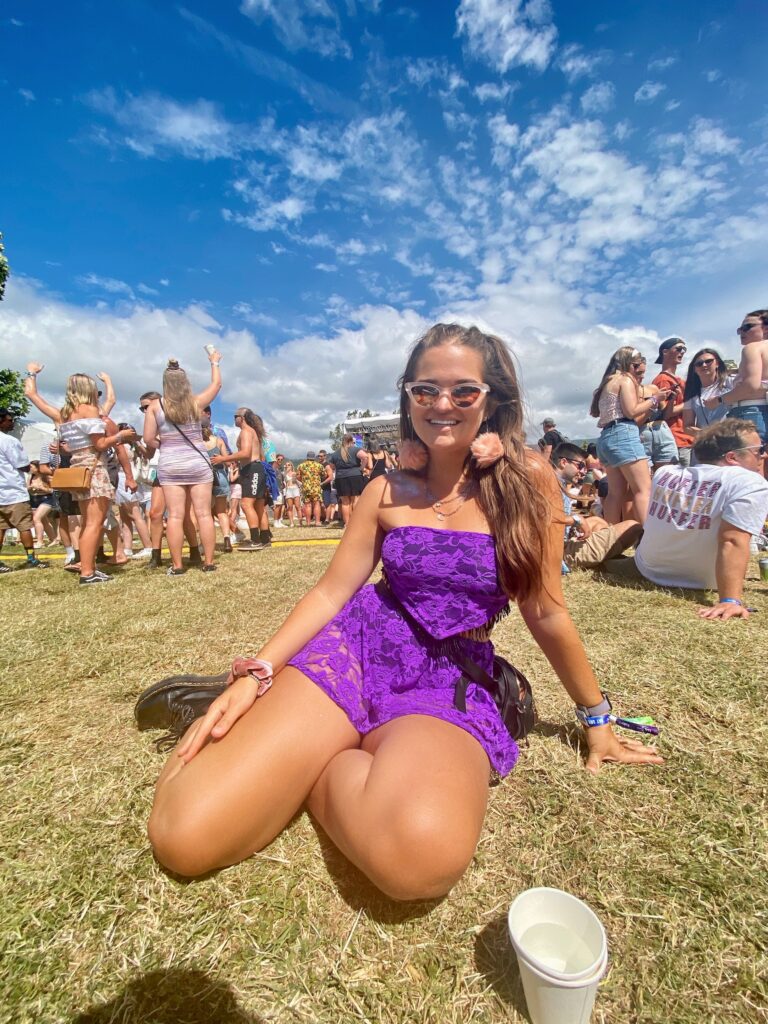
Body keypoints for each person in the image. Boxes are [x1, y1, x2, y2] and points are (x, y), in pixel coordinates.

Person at [147, 323, 662, 898]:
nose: (444, 404)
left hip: (447, 678)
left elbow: (545, 611)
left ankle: (323, 755)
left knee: (418, 861)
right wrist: (256, 674)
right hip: (355, 650)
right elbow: (329, 593)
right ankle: (320, 737)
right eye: (426, 391)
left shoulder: (528, 481)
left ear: (492, 399)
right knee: (183, 836)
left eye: (463, 391)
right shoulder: (383, 490)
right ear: (409, 399)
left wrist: (597, 720)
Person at [606, 419, 768, 620]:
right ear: (732, 457)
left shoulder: (665, 473)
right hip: (705, 581)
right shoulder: (749, 482)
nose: (764, 455)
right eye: (758, 450)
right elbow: (732, 540)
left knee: (622, 535)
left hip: (647, 568)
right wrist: (729, 600)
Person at [24, 366, 135, 584]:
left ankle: (88, 567)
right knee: (95, 523)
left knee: (88, 523)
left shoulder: (63, 414)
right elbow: (100, 443)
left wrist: (32, 374)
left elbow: (31, 394)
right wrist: (121, 435)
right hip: (94, 470)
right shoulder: (89, 410)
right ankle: (87, 572)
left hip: (77, 469)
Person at [142, 353, 221, 575]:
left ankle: (177, 565)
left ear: (165, 383)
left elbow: (148, 439)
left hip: (171, 464)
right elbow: (217, 384)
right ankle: (208, 562)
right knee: (204, 513)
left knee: (175, 516)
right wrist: (214, 361)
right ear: (186, 382)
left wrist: (166, 444)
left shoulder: (155, 407)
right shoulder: (196, 403)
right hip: (198, 462)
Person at [590, 346, 670, 524]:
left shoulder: (607, 383)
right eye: (636, 365)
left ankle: (609, 538)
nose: (637, 370)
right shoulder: (624, 380)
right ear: (628, 364)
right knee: (643, 489)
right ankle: (647, 539)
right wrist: (655, 399)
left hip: (606, 437)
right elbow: (631, 411)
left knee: (614, 493)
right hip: (623, 433)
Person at [552, 442, 642, 571]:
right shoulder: (550, 486)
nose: (584, 471)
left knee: (598, 522)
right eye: (580, 466)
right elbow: (544, 520)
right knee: (633, 527)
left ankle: (606, 558)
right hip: (559, 552)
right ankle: (607, 562)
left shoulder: (556, 482)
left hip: (562, 541)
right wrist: (576, 520)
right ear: (564, 462)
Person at [138, 391, 201, 571]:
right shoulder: (152, 422)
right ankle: (155, 555)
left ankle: (194, 550)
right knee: (155, 513)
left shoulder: (173, 418)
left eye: (146, 406)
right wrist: (136, 443)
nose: (144, 410)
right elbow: (149, 452)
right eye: (142, 408)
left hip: (179, 468)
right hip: (162, 469)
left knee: (183, 514)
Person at [710, 310, 768, 475]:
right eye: (739, 329)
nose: (741, 332)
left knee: (749, 472)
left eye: (747, 327)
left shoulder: (752, 348)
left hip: (750, 412)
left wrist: (719, 400)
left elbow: (751, 385)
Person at [213, 408, 271, 550]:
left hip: (252, 469)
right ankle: (264, 538)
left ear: (242, 417)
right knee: (258, 506)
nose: (234, 419)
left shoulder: (246, 432)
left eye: (235, 416)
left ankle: (256, 540)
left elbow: (245, 453)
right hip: (254, 469)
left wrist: (223, 458)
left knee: (246, 504)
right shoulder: (252, 432)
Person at [0, 408, 48, 572]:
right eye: (9, 419)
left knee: (1, 528)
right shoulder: (9, 441)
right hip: (13, 491)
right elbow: (21, 464)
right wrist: (33, 469)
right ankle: (31, 559)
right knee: (24, 527)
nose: (11, 422)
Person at [630, 354, 678, 472]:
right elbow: (632, 424)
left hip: (662, 432)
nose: (642, 377)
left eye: (643, 373)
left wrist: (671, 400)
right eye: (638, 373)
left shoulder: (652, 388)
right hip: (641, 435)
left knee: (668, 477)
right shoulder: (627, 394)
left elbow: (666, 415)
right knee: (646, 480)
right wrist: (651, 406)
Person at [652, 337, 694, 466]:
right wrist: (691, 403)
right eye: (678, 349)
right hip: (677, 438)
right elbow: (666, 413)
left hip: (687, 438)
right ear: (665, 352)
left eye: (684, 349)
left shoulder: (679, 380)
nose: (682, 352)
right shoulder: (663, 380)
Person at [682, 348, 732, 439]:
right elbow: (687, 426)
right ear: (694, 369)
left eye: (708, 361)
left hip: (732, 440)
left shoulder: (729, 383)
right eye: (699, 364)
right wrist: (707, 434)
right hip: (706, 445)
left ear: (717, 363)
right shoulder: (692, 392)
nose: (704, 365)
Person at [327, 434, 370, 527]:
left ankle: (347, 524)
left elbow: (332, 466)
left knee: (345, 502)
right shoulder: (355, 449)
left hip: (340, 478)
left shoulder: (335, 453)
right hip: (355, 476)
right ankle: (357, 523)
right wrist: (361, 468)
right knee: (356, 499)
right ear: (351, 441)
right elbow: (365, 457)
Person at [203, 424, 233, 552]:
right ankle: (227, 540)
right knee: (222, 512)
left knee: (206, 513)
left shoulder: (196, 442)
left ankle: (205, 544)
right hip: (221, 477)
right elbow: (227, 462)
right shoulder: (219, 440)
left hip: (205, 478)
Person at [297, 451, 324, 527]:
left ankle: (308, 523)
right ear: (314, 457)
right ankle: (317, 522)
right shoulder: (319, 465)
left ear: (307, 457)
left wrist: (304, 481)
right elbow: (324, 475)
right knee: (317, 504)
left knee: (307, 505)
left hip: (306, 487)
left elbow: (298, 476)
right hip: (316, 487)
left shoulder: (301, 465)